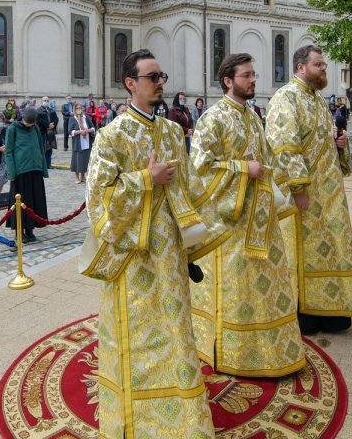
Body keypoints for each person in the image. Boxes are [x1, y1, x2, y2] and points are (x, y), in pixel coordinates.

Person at [81, 50, 213, 438]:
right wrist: (144, 179)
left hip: (170, 254)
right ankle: (138, 421)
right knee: (137, 335)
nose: (160, 83)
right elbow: (97, 200)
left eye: (161, 76)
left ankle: (184, 414)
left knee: (176, 329)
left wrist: (198, 235)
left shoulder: (172, 132)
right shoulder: (111, 136)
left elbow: (189, 187)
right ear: (130, 83)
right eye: (152, 76)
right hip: (133, 260)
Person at [190, 53, 305, 377]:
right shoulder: (212, 119)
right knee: (238, 289)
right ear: (228, 80)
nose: (253, 80)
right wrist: (243, 169)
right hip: (232, 226)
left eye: (254, 74)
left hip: (262, 220)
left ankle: (269, 349)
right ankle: (234, 353)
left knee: (266, 286)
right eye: (247, 75)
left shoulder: (254, 118)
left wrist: (289, 185)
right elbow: (199, 169)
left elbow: (267, 160)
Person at [265, 45, 352, 335]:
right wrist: (298, 187)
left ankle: (331, 306)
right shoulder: (285, 98)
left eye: (323, 64)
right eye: (319, 64)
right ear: (301, 67)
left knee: (332, 246)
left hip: (329, 193)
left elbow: (320, 140)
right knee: (305, 251)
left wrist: (339, 145)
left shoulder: (318, 100)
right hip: (304, 194)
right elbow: (284, 146)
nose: (324, 68)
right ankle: (304, 310)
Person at [3, 106, 49, 243]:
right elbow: (8, 152)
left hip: (35, 170)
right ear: (23, 119)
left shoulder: (35, 128)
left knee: (34, 202)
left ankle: (30, 229)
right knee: (21, 203)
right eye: (28, 122)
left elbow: (41, 148)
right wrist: (12, 173)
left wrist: (43, 168)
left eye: (32, 123)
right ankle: (19, 231)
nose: (29, 125)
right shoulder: (13, 129)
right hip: (21, 172)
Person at [68, 103, 95, 184]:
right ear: (74, 109)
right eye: (77, 108)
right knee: (77, 159)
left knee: (85, 159)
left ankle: (83, 176)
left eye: (80, 108)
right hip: (77, 143)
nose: (79, 110)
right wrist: (80, 132)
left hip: (86, 142)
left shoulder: (86, 117)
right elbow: (70, 131)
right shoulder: (72, 119)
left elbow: (93, 128)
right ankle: (76, 176)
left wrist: (87, 131)